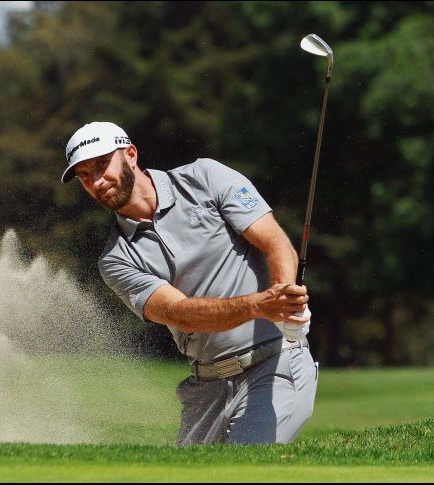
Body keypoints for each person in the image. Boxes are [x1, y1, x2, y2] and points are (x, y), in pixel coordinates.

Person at [61, 121, 318, 445]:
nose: (97, 181)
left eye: (102, 165)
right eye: (85, 175)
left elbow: (274, 242)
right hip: (206, 385)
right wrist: (259, 306)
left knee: (243, 472)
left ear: (130, 155)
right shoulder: (115, 259)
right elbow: (178, 312)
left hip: (274, 362)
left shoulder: (205, 178)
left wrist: (283, 302)